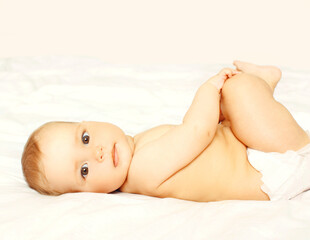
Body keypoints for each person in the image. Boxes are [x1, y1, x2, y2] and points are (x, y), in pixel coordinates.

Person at [21, 61, 310, 202]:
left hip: (246, 148)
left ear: (89, 121)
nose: (95, 153)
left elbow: (201, 145)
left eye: (85, 138)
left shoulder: (138, 148)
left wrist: (221, 116)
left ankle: (263, 88)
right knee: (238, 89)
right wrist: (208, 89)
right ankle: (262, 84)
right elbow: (197, 132)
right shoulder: (142, 170)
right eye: (83, 171)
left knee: (232, 104)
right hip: (271, 167)